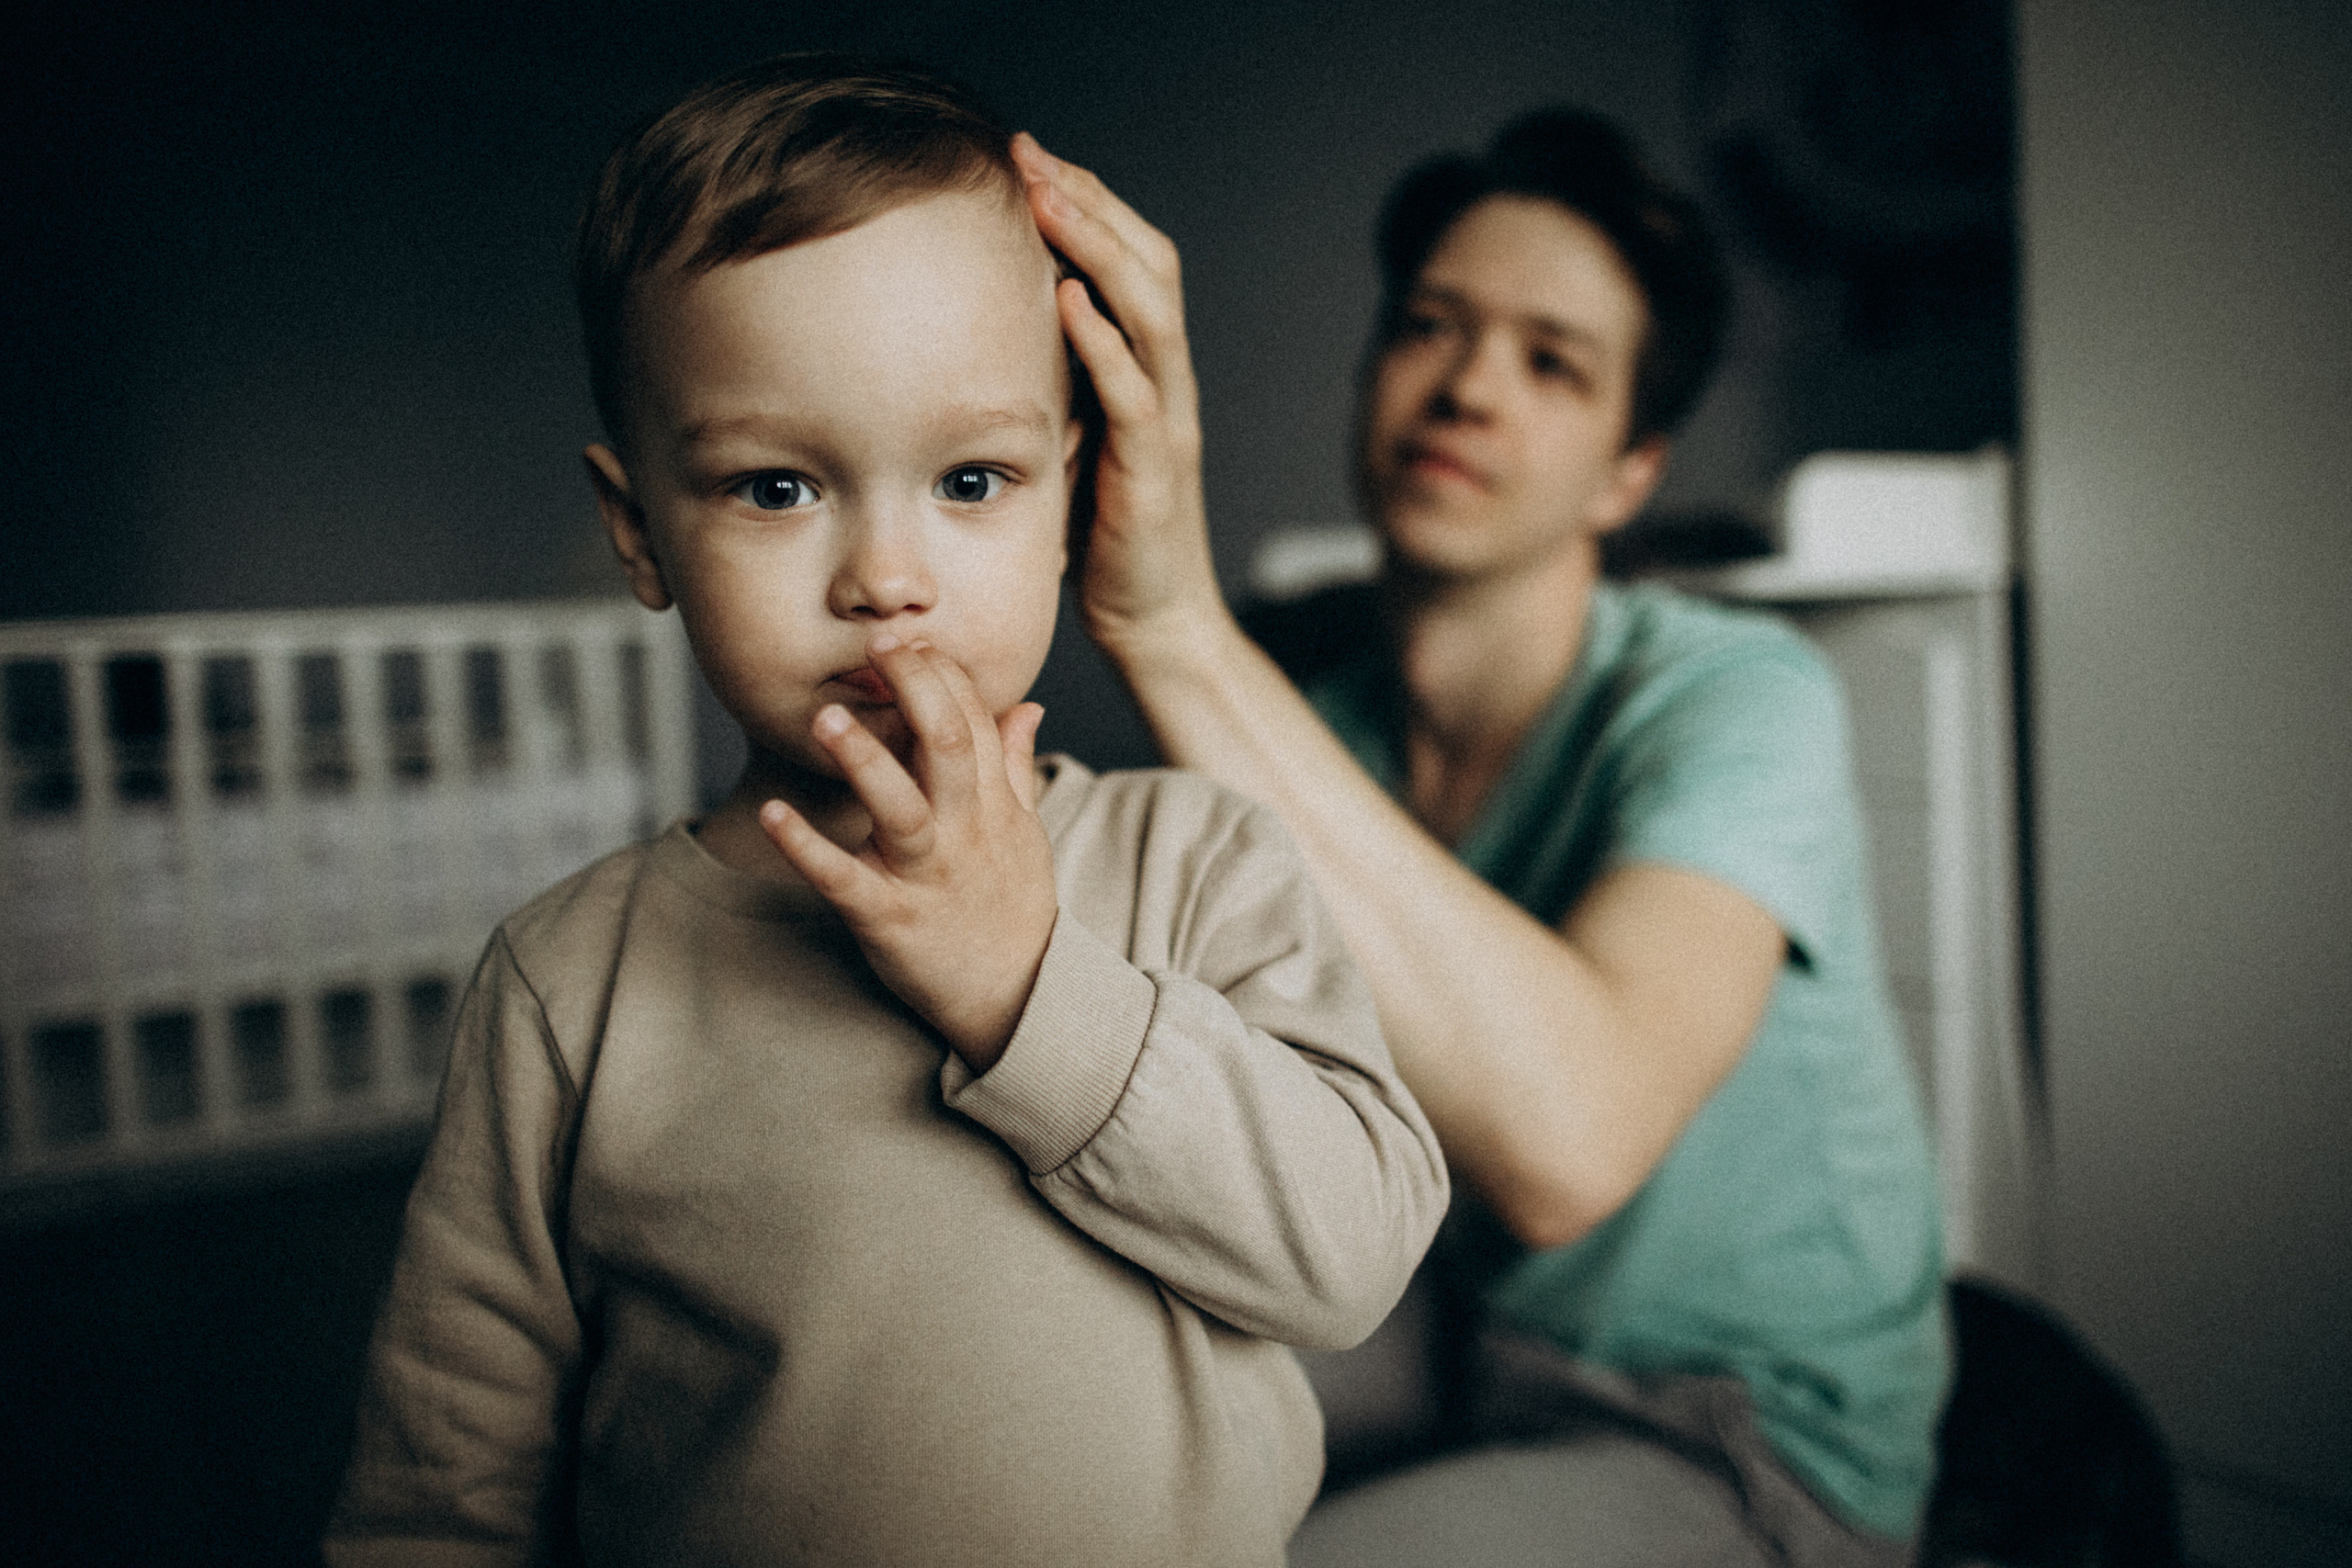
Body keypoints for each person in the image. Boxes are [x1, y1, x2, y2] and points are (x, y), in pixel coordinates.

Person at [322, 55, 1448, 1568]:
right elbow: (443, 1486)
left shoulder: (1199, 861)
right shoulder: (567, 981)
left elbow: (1350, 1259)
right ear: (639, 529)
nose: (887, 577)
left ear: (1074, 498)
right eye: (777, 489)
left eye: (973, 479)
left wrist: (1029, 987)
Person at [1017, 107, 1950, 1565]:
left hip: (1742, 1430)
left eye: (1550, 362)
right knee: (1036, 1449)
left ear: (1630, 471)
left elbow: (1572, 1145)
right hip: (1455, 1342)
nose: (1465, 388)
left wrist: (1178, 628)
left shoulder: (1740, 698)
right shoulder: (1325, 725)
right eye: (1429, 327)